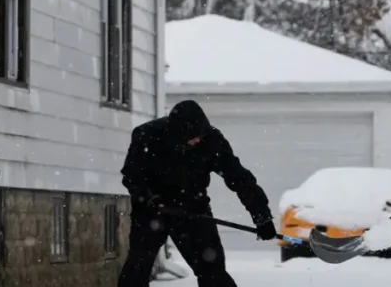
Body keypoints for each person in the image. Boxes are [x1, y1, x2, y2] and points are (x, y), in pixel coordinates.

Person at [117, 99, 277, 287]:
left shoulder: (211, 140)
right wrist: (150, 199)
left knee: (213, 269)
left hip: (193, 208)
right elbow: (131, 176)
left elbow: (239, 178)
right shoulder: (148, 136)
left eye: (201, 135)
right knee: (138, 267)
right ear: (178, 134)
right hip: (152, 210)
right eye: (193, 136)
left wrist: (262, 215)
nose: (199, 140)